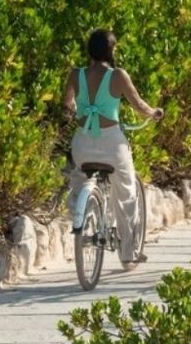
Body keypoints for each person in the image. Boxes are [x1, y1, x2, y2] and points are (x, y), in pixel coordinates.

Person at [63, 28, 161, 267]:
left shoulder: (75, 74)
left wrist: (77, 110)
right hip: (111, 144)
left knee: (79, 179)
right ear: (111, 50)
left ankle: (83, 216)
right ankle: (128, 253)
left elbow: (67, 104)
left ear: (89, 50)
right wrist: (154, 113)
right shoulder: (117, 76)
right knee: (126, 194)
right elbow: (139, 105)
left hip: (82, 142)